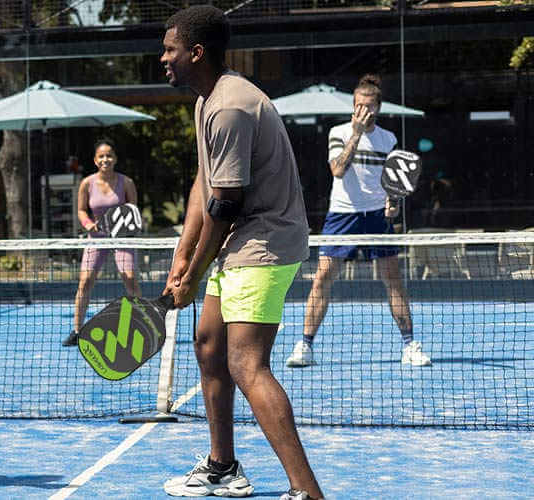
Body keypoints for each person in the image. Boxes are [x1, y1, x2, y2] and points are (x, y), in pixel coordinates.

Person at [159, 6, 324, 500]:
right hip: (238, 241)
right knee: (209, 346)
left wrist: (194, 274)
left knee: (247, 364)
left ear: (196, 52)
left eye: (170, 50)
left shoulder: (230, 106)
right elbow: (204, 183)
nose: (163, 58)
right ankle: (223, 466)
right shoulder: (205, 100)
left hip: (265, 241)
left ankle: (306, 492)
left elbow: (225, 203)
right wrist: (182, 256)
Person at [285, 74, 432, 369]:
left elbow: (391, 181)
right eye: (358, 106)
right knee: (322, 279)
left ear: (377, 107)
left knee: (393, 280)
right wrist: (355, 133)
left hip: (377, 216)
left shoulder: (388, 139)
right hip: (342, 214)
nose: (362, 111)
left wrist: (392, 204)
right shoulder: (338, 133)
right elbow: (338, 170)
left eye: (368, 106)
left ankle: (410, 345)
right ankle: (305, 345)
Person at [62, 139, 142, 347]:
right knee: (85, 281)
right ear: (95, 160)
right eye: (101, 156)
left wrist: (124, 226)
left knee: (130, 279)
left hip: (122, 237)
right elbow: (81, 211)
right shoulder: (87, 184)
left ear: (115, 159)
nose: (106, 159)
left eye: (109, 155)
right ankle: (77, 330)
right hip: (96, 238)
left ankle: (140, 327)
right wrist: (88, 224)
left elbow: (133, 210)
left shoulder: (126, 183)